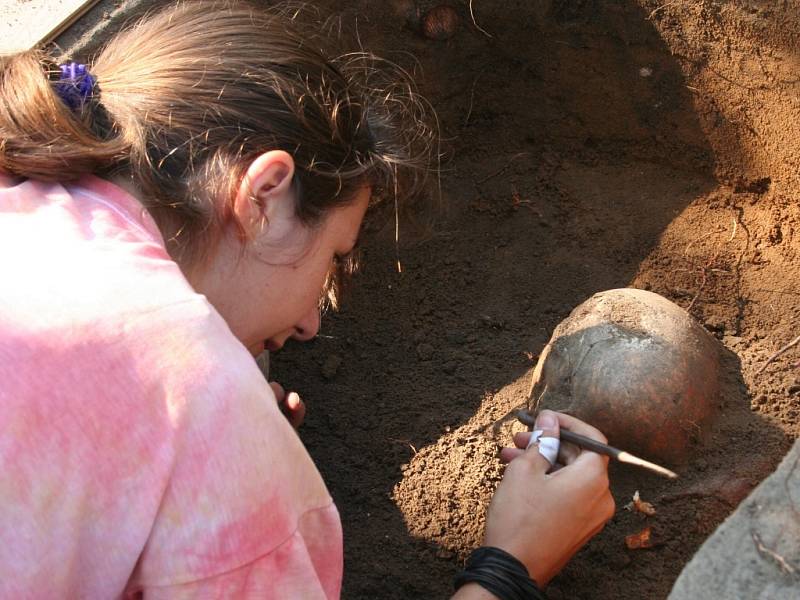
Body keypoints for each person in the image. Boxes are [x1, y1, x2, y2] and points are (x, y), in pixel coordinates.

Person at [0, 1, 614, 598]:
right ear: (264, 193)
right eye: (332, 259)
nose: (311, 322)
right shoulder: (193, 391)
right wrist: (510, 569)